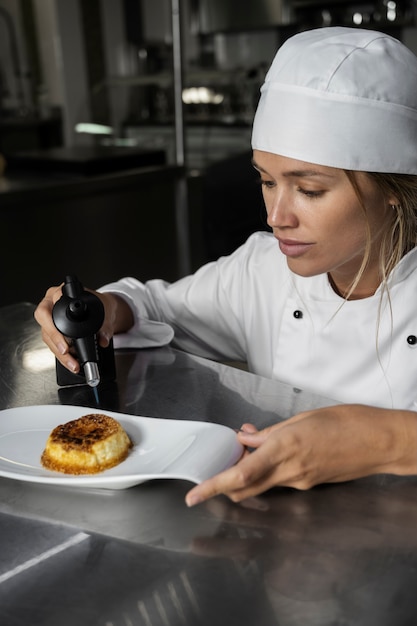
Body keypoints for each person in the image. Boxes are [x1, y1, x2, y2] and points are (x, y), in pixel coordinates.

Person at [35, 26, 417, 507]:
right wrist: (104, 307)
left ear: (393, 187)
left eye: (310, 189)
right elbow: (151, 306)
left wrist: (382, 439)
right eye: (267, 182)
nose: (277, 217)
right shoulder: (263, 270)